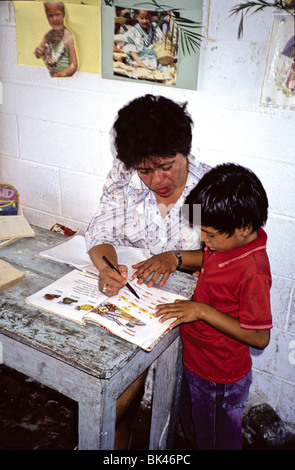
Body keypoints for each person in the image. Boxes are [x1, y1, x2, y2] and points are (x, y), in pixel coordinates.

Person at [85, 94, 210, 449]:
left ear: (184, 151)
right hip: (134, 295)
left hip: (184, 307)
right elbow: (100, 231)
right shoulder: (124, 175)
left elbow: (216, 254)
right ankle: (112, 444)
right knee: (117, 378)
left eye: (167, 165)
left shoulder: (207, 190)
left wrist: (176, 258)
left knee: (182, 409)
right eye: (145, 170)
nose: (157, 180)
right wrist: (107, 267)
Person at [155, 163, 273, 450]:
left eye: (209, 234)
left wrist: (202, 310)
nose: (204, 242)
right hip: (198, 362)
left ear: (244, 228)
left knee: (217, 441)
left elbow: (260, 338)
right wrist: (176, 258)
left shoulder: (253, 270)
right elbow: (207, 258)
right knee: (198, 429)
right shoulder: (230, 243)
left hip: (219, 378)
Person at [34, 2, 77, 78]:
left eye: (57, 14)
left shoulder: (68, 36)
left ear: (63, 14)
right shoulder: (48, 36)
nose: (54, 19)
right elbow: (39, 54)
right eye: (50, 16)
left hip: (64, 76)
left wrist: (58, 75)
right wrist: (38, 52)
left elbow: (73, 65)